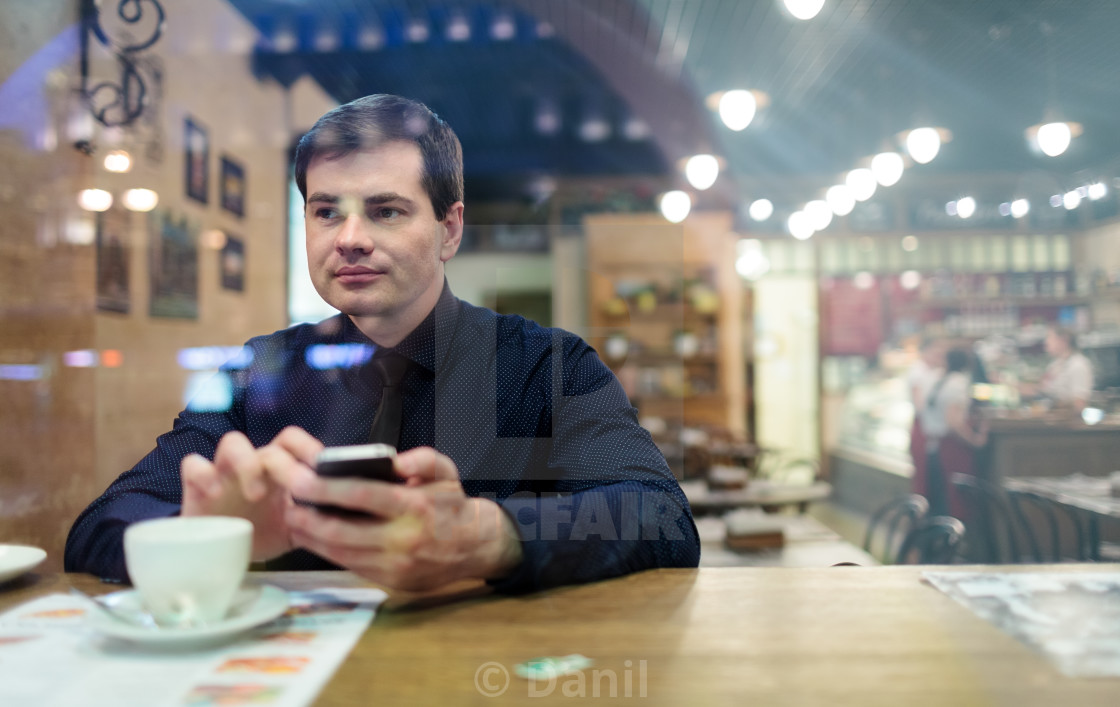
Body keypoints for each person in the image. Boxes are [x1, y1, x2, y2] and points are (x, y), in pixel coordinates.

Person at [66, 94, 700, 592]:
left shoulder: (546, 366)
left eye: (386, 210)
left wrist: (488, 537)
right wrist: (197, 534)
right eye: (326, 211)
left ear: (449, 229)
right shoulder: (258, 373)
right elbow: (98, 526)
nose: (349, 238)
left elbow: (659, 516)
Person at [921, 348, 987, 517]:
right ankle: (956, 539)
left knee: (938, 498)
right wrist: (975, 440)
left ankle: (937, 540)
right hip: (952, 447)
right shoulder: (958, 382)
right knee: (957, 500)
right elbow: (954, 422)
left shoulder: (934, 378)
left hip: (932, 446)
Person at [905, 337, 944, 498]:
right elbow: (920, 404)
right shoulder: (917, 372)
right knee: (923, 476)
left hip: (928, 426)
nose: (939, 355)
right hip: (922, 426)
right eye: (936, 351)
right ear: (926, 351)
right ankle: (921, 516)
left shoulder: (933, 371)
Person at [1037, 326, 1093, 412]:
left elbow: (1079, 403)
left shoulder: (1078, 365)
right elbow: (1043, 389)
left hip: (1069, 423)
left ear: (1063, 340)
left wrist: (1056, 403)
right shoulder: (1054, 365)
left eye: (1049, 337)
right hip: (1051, 421)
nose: (1046, 342)